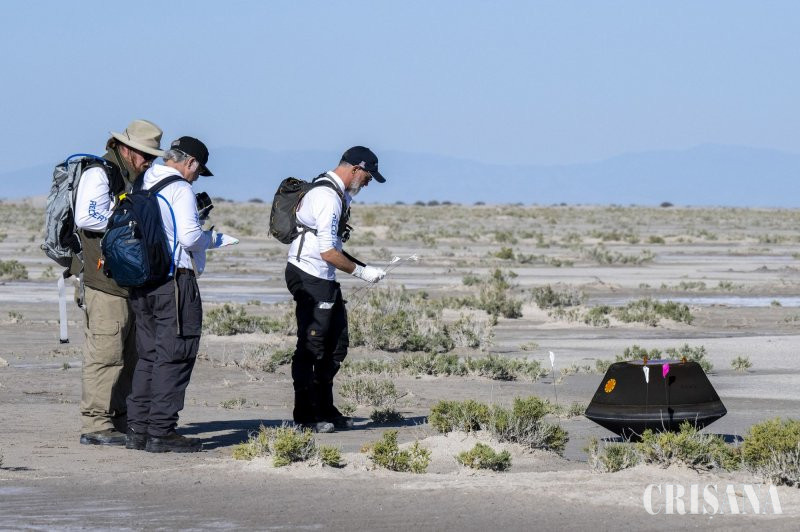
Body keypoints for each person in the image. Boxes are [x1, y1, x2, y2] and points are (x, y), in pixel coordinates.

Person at [125, 136, 237, 453]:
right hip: (174, 280)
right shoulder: (180, 188)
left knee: (148, 355)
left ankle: (138, 429)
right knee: (175, 354)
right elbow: (189, 237)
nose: (196, 177)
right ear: (191, 162)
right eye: (198, 171)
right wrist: (213, 239)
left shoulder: (142, 181)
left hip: (142, 280)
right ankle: (161, 432)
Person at [72, 119, 164, 446]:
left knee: (131, 355)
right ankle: (96, 423)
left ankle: (121, 419)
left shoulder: (136, 178)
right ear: (126, 149)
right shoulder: (100, 173)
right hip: (104, 283)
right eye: (145, 155)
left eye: (152, 156)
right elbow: (86, 217)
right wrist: (130, 220)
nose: (149, 161)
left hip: (130, 282)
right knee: (106, 353)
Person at [285, 146, 388, 433]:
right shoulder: (327, 197)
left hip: (323, 277)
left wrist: (363, 267)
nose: (368, 183)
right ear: (355, 169)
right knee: (312, 346)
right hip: (309, 275)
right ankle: (306, 415)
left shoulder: (337, 193)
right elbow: (328, 252)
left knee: (336, 344)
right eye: (368, 176)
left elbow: (332, 248)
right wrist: (362, 272)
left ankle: (325, 408)